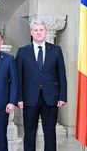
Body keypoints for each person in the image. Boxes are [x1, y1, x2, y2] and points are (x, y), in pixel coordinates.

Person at [16, 19, 67, 151]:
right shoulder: (22, 52)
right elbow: (18, 78)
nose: (38, 33)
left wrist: (62, 96)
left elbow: (61, 74)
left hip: (50, 98)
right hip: (29, 98)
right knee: (29, 132)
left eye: (41, 30)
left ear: (45, 32)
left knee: (50, 132)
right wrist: (19, 98)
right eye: (36, 30)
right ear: (31, 32)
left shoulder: (56, 50)